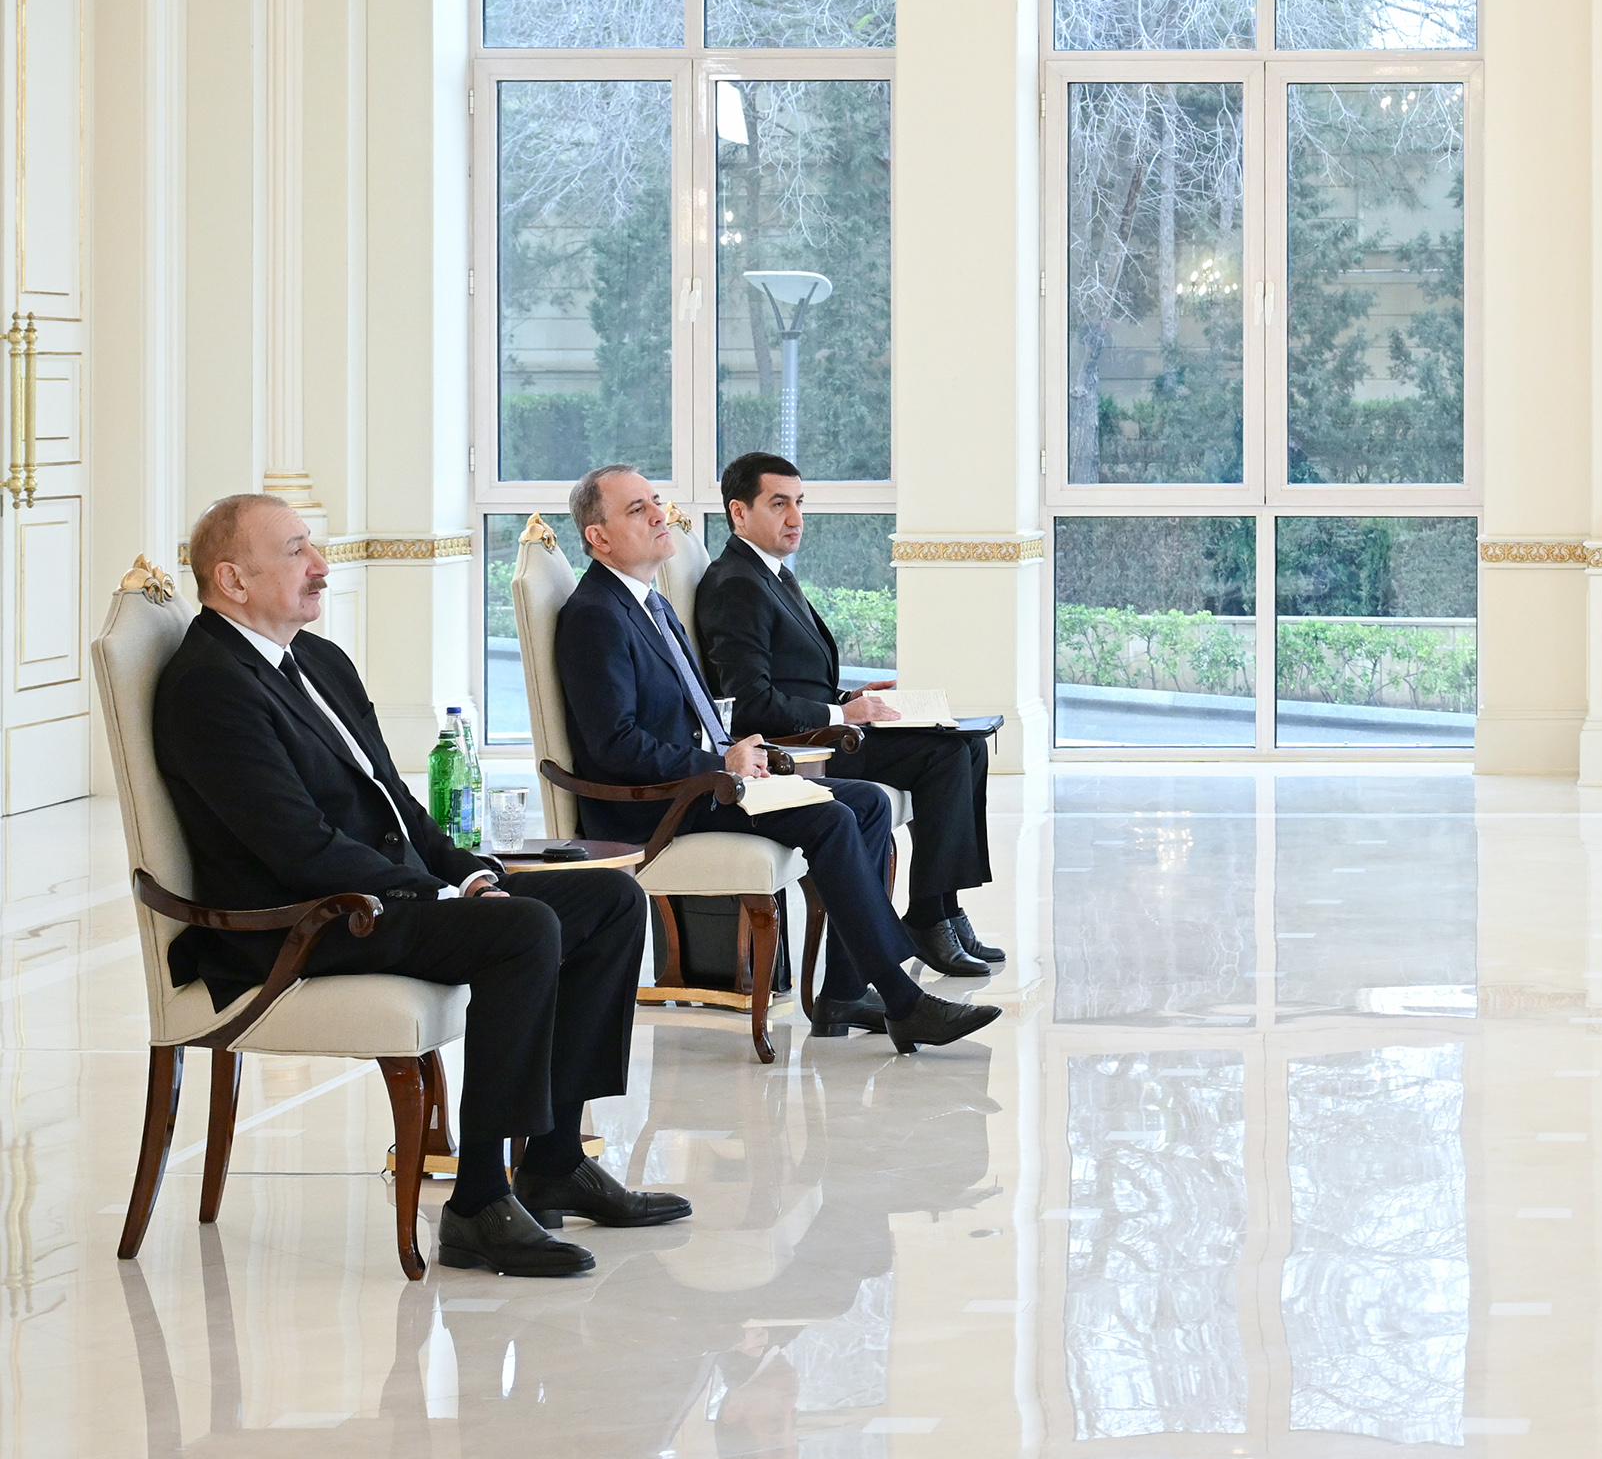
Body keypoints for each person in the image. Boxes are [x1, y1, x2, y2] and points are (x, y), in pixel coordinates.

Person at [152, 492, 689, 1276]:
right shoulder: (209, 685)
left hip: (371, 896)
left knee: (608, 901)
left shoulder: (319, 661)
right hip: (297, 922)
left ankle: (553, 1161)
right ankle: (477, 1204)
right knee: (521, 929)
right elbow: (299, 850)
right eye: (298, 551)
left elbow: (396, 805)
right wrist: (439, 895)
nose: (322, 566)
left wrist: (469, 872)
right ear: (233, 579)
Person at [553, 464, 999, 1055]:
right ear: (599, 537)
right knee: (832, 817)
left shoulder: (648, 604)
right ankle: (904, 1000)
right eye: (638, 509)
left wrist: (737, 753)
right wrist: (718, 766)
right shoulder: (595, 614)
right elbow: (615, 746)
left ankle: (844, 992)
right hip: (655, 806)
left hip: (704, 780)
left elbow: (701, 711)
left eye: (655, 501)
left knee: (866, 803)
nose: (661, 515)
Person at [695, 451, 1000, 979]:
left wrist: (850, 696)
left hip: (824, 729)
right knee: (947, 755)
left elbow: (790, 678)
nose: (796, 518)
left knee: (967, 745)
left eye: (799, 503)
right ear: (738, 512)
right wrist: (841, 711)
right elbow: (748, 702)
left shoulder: (769, 574)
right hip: (797, 749)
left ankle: (944, 908)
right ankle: (929, 918)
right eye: (779, 504)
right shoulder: (736, 584)